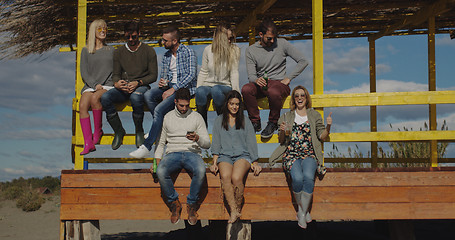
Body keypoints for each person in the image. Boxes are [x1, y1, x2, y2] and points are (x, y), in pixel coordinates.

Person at [269, 85, 332, 229]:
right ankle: (303, 210)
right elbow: (281, 140)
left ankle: (301, 212)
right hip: (291, 154)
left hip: (309, 154)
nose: (299, 98)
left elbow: (322, 136)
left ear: (306, 97)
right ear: (293, 99)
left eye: (302, 95)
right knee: (297, 178)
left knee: (309, 176)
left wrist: (328, 127)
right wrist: (283, 131)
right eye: (296, 96)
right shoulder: (286, 116)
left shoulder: (314, 115)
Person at [129, 25, 197, 158]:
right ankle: (159, 126)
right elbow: (165, 75)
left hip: (184, 89)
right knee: (148, 95)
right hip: (170, 86)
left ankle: (146, 146)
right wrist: (164, 82)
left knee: (159, 110)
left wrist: (173, 89)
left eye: (165, 40)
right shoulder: (166, 56)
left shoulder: (188, 52)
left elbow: (191, 75)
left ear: (175, 41)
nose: (163, 42)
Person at [242, 18, 308, 138]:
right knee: (246, 89)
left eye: (274, 38)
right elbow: (251, 75)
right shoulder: (251, 50)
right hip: (262, 84)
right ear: (260, 35)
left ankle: (273, 122)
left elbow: (303, 61)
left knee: (273, 91)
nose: (272, 41)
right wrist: (256, 80)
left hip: (279, 84)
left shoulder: (282, 43)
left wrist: (289, 78)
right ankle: (255, 122)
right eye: (269, 38)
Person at [153, 88, 210, 225]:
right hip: (172, 152)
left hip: (193, 153)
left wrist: (197, 138)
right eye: (181, 105)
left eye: (187, 105)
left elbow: (207, 143)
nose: (184, 109)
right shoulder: (167, 117)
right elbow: (160, 143)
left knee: (201, 171)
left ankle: (191, 204)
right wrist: (156, 161)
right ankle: (174, 203)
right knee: (160, 171)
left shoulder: (197, 117)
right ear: (175, 102)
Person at [100, 21, 158, 150]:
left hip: (141, 86)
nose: (131, 40)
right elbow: (116, 74)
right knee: (105, 98)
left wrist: (138, 82)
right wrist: (117, 83)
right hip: (123, 87)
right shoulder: (119, 52)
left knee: (136, 98)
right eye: (128, 37)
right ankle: (119, 130)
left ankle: (139, 131)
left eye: (134, 37)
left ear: (139, 34)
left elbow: (153, 76)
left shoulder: (149, 51)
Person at [209, 90, 262, 223]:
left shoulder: (245, 120)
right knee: (225, 176)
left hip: (242, 155)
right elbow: (216, 142)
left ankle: (238, 207)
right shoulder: (219, 120)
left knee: (236, 177)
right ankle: (234, 211)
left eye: (237, 104)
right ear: (227, 104)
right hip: (224, 156)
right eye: (232, 103)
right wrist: (214, 162)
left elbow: (251, 141)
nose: (234, 107)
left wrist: (255, 162)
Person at [79, 19, 114, 155]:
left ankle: (98, 131)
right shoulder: (86, 50)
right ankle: (88, 143)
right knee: (82, 106)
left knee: (95, 99)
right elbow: (84, 72)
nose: (103, 31)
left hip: (108, 84)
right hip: (92, 85)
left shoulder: (111, 50)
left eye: (105, 28)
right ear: (94, 31)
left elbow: (116, 70)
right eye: (100, 29)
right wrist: (94, 85)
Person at [196, 23, 240, 126]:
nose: (230, 41)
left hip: (225, 86)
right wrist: (198, 87)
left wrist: (236, 93)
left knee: (216, 90)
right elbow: (203, 71)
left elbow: (234, 72)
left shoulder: (234, 50)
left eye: (231, 38)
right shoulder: (208, 50)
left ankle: (224, 121)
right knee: (200, 91)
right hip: (208, 84)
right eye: (228, 38)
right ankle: (202, 126)